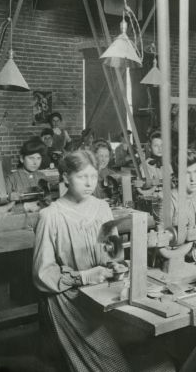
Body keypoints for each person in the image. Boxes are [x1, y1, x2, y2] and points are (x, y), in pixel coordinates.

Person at [33, 150, 131, 371]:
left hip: (102, 291)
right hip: (68, 297)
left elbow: (114, 252)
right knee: (111, 365)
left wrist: (115, 264)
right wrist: (84, 276)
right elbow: (43, 275)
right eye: (81, 177)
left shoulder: (102, 208)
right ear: (66, 177)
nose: (89, 183)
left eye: (94, 176)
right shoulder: (51, 216)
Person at [5, 137, 48, 202]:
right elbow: (5, 205)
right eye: (31, 158)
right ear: (22, 159)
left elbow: (47, 199)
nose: (35, 162)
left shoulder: (42, 176)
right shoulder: (11, 179)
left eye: (39, 158)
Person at [92, 139, 119, 204]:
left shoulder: (112, 174)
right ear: (94, 156)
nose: (104, 160)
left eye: (106, 156)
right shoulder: (88, 175)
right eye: (101, 156)